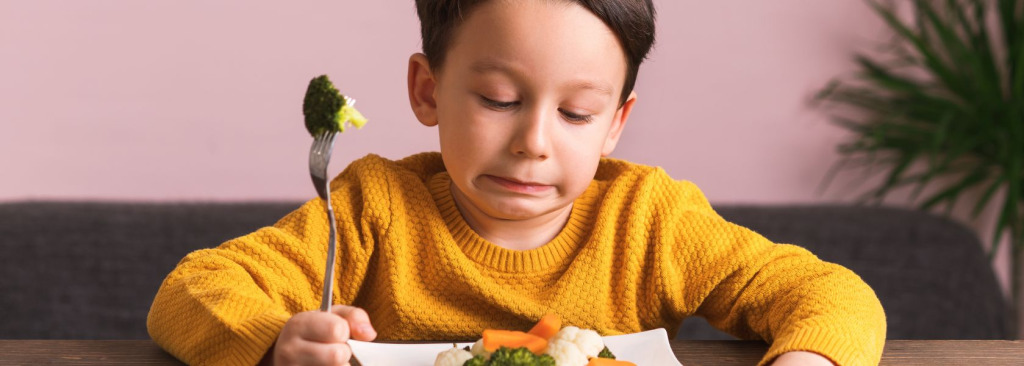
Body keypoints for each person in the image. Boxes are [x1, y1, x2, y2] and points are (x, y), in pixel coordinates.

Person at [147, 1, 886, 365]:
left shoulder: (650, 220)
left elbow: (828, 293)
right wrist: (275, 340)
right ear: (428, 91)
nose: (533, 142)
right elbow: (193, 288)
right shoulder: (376, 206)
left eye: (576, 112)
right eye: (499, 99)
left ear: (616, 123)